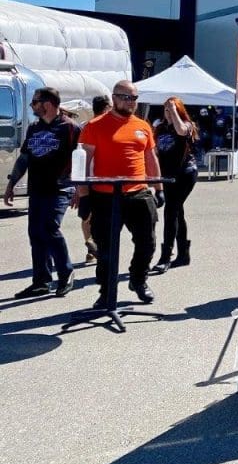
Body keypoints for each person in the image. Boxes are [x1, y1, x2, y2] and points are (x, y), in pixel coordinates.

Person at [77, 80, 163, 305]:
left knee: (147, 242)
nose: (130, 102)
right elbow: (84, 162)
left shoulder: (142, 126)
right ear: (114, 98)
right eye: (125, 97)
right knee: (106, 248)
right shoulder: (95, 126)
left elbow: (150, 157)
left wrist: (158, 187)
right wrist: (84, 195)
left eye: (134, 98)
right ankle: (106, 292)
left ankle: (138, 279)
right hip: (105, 196)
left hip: (138, 193)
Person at [3, 87, 80, 299]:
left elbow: (82, 159)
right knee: (36, 234)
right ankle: (41, 282)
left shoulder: (70, 127)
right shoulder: (34, 128)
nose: (32, 106)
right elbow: (25, 157)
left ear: (47, 104)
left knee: (49, 227)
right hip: (37, 189)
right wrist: (11, 185)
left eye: (34, 102)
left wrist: (79, 188)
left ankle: (66, 273)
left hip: (60, 188)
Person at [150, 97, 200, 274]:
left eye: (171, 110)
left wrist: (174, 111)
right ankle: (183, 254)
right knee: (177, 211)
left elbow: (180, 131)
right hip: (168, 175)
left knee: (171, 210)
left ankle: (165, 257)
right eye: (165, 110)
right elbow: (155, 151)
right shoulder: (160, 128)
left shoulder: (187, 124)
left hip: (185, 173)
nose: (168, 113)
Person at [78, 94, 112, 265]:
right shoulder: (107, 126)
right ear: (107, 108)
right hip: (100, 179)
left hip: (84, 178)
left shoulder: (84, 126)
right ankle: (97, 246)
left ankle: (90, 247)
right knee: (102, 216)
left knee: (86, 215)